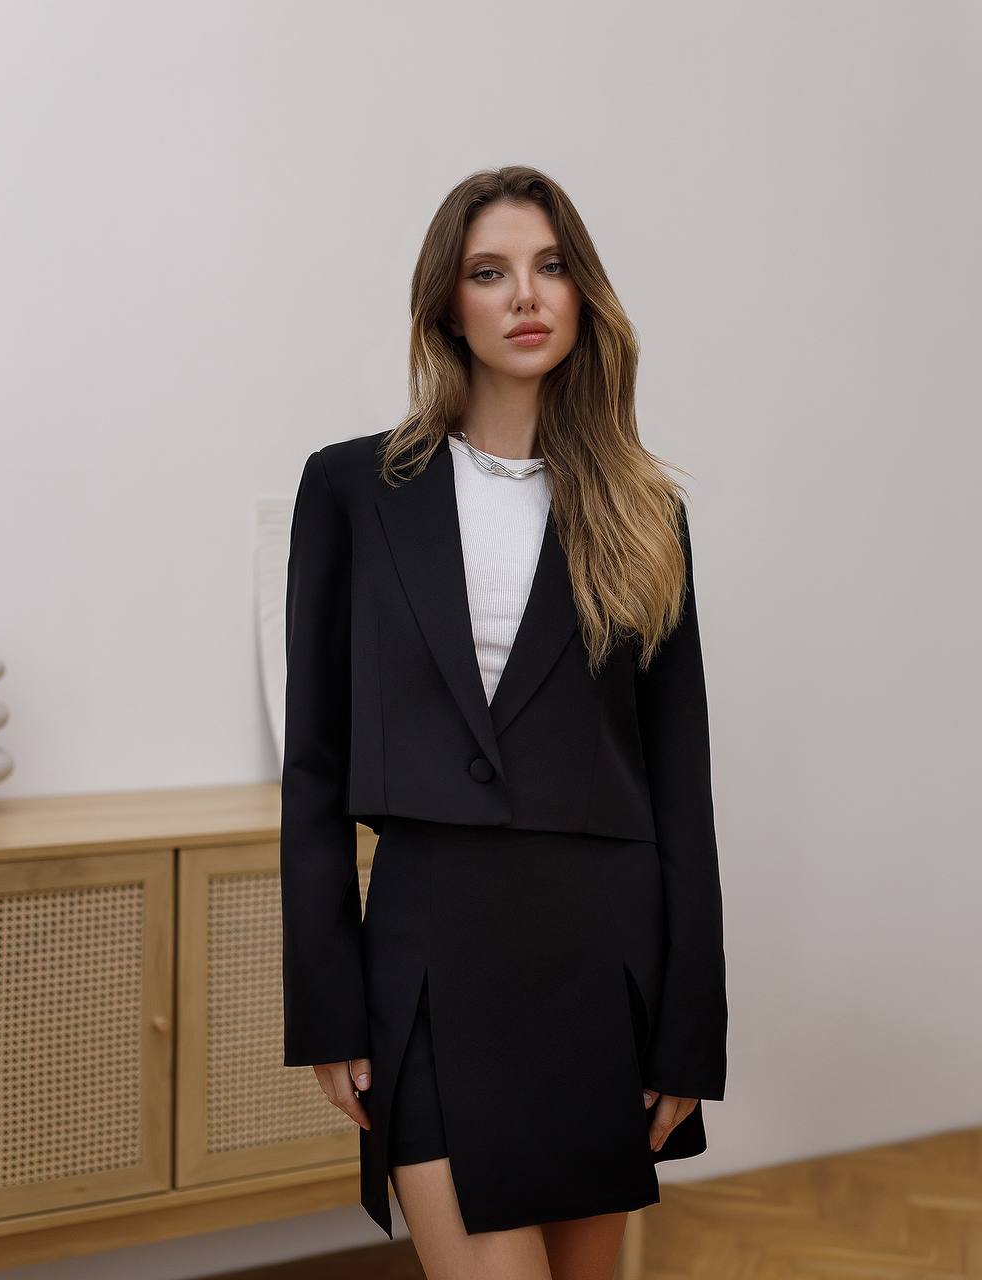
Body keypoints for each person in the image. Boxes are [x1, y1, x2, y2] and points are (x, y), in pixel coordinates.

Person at [280, 165, 728, 1280]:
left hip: (600, 958)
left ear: (583, 298)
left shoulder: (641, 506)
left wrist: (688, 1029)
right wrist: (329, 1005)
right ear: (448, 304)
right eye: (490, 272)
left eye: (550, 266)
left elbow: (681, 779)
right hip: (430, 952)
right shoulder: (351, 489)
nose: (525, 295)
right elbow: (316, 765)